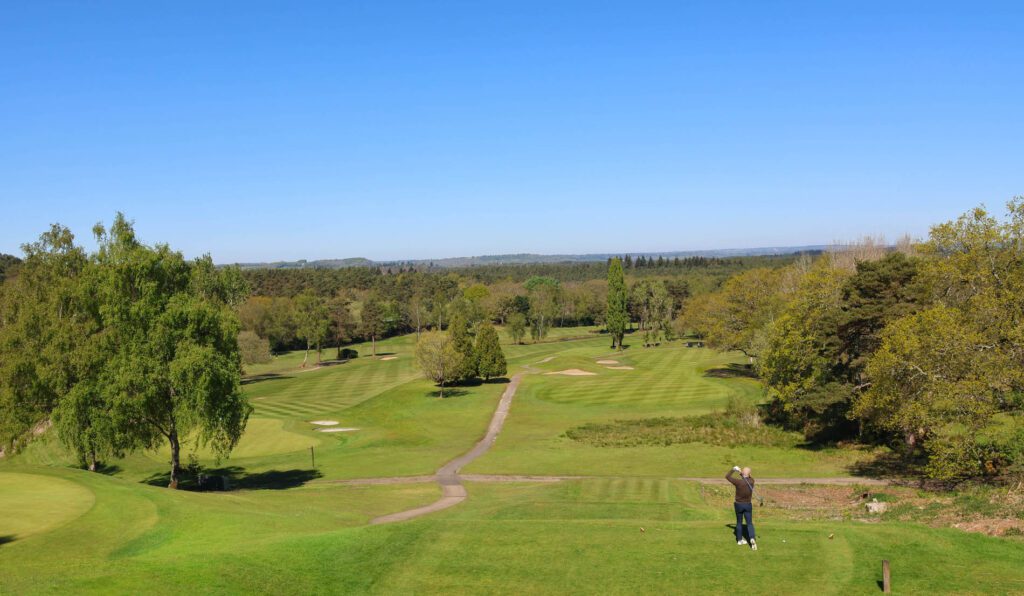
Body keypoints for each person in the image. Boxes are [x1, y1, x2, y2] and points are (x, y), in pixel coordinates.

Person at [726, 465, 757, 550]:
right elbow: (747, 477)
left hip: (738, 505)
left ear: (743, 473)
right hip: (747, 505)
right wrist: (742, 472)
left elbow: (727, 477)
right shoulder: (752, 481)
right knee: (749, 523)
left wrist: (733, 470)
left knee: (739, 522)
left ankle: (739, 540)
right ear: (750, 474)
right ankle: (752, 538)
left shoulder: (738, 482)